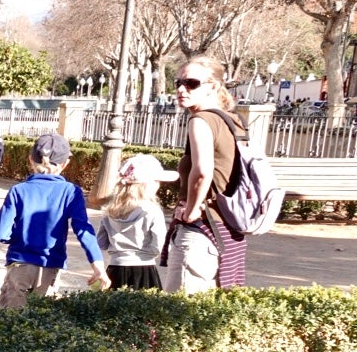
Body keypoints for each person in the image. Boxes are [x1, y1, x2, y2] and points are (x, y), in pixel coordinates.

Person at [0, 133, 107, 308]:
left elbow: (1, 232)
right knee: (41, 324)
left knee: (9, 323)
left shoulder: (18, 191)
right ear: (65, 164)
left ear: (30, 159)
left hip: (19, 264)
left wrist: (15, 237)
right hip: (50, 265)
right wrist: (97, 264)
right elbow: (83, 229)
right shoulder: (71, 192)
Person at [167, 55, 248, 292]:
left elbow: (203, 172)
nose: (182, 89)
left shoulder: (200, 121)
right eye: (178, 82)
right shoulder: (235, 121)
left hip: (202, 229)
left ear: (212, 86)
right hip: (230, 230)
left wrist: (192, 209)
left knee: (176, 317)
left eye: (191, 83)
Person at [98, 153, 174, 290]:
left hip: (115, 268)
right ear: (147, 185)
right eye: (157, 182)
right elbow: (159, 245)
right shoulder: (152, 211)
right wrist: (146, 252)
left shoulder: (109, 211)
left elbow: (101, 242)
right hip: (145, 269)